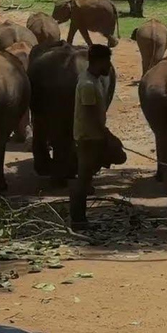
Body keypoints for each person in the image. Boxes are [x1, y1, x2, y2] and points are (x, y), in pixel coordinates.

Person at [70, 44, 126, 229]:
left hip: (94, 135)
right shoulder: (87, 85)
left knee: (88, 175)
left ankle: (80, 217)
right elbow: (91, 116)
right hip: (88, 137)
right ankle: (78, 219)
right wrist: (109, 137)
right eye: (107, 61)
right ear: (98, 62)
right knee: (83, 178)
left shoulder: (93, 81)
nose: (109, 66)